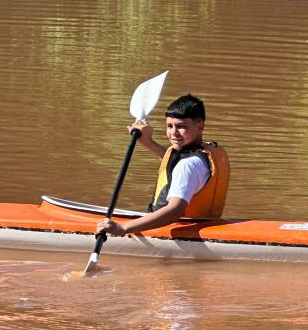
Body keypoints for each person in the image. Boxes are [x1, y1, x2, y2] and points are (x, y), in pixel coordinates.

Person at [96, 94, 230, 237]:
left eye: (181, 126)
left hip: (176, 229)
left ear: (200, 127)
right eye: (169, 126)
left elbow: (174, 211)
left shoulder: (187, 166)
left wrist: (123, 228)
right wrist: (148, 142)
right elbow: (172, 163)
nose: (173, 133)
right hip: (206, 225)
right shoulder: (205, 153)